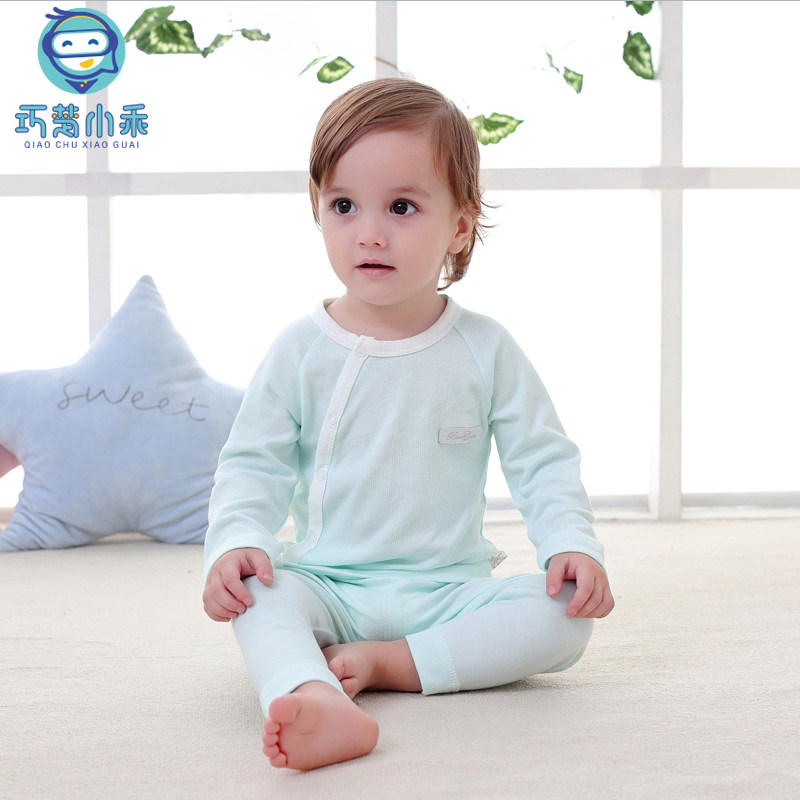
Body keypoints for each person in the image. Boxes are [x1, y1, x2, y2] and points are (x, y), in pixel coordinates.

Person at [202, 77, 614, 771]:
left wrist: (570, 544)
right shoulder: (300, 349)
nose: (369, 232)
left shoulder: (486, 349)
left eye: (401, 207)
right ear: (319, 211)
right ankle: (312, 695)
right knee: (260, 598)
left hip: (447, 592)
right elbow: (252, 463)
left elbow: (542, 459)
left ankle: (393, 663)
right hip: (327, 584)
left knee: (566, 615)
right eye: (343, 206)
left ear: (459, 226)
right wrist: (237, 540)